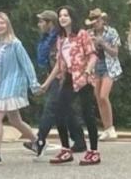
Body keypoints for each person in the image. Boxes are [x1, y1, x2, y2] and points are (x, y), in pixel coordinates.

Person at [0, 12, 41, 167]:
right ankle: (37, 142)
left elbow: (26, 64)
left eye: (2, 23)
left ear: (8, 25)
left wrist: (34, 83)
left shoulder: (15, 44)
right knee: (15, 120)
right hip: (0, 85)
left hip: (13, 83)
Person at [41, 6, 100, 165]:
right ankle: (66, 150)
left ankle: (93, 151)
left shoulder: (82, 34)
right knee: (60, 112)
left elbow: (93, 55)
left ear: (72, 17)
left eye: (66, 15)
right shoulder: (61, 39)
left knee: (88, 114)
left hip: (84, 78)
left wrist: (88, 70)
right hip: (68, 77)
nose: (62, 18)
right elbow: (59, 64)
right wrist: (46, 84)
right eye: (60, 15)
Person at [23, 10, 86, 159]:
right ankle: (79, 141)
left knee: (51, 107)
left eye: (41, 22)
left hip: (64, 77)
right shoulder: (46, 39)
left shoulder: (58, 37)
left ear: (50, 23)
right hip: (55, 77)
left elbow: (60, 62)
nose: (39, 25)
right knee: (66, 110)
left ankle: (39, 140)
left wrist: (48, 82)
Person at [86, 8, 123, 141]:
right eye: (93, 21)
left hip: (109, 66)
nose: (95, 24)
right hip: (96, 67)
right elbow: (88, 53)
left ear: (102, 20)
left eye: (97, 21)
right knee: (98, 97)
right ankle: (107, 128)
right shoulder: (89, 34)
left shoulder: (111, 32)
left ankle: (111, 127)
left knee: (103, 96)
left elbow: (115, 53)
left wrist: (103, 43)